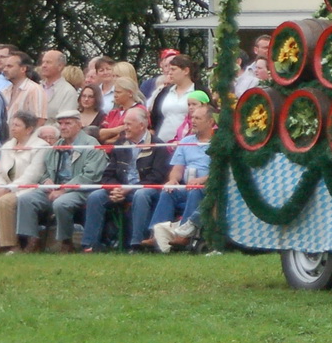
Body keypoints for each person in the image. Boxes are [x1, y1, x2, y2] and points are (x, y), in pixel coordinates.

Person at [0, 111, 51, 253]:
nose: (12, 128)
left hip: (27, 189)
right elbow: (0, 173)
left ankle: (12, 245)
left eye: (17, 125)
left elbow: (32, 175)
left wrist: (8, 189)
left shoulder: (40, 146)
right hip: (5, 187)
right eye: (12, 124)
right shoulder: (7, 146)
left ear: (29, 129)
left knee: (5, 202)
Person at [84, 107, 155, 253]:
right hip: (120, 189)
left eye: (128, 124)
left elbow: (157, 177)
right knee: (95, 196)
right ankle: (90, 245)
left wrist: (129, 189)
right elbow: (108, 175)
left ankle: (136, 245)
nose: (125, 128)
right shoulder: (120, 144)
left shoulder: (157, 145)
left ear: (141, 125)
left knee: (141, 196)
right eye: (125, 124)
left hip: (142, 190)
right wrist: (115, 189)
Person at [147, 99, 215, 252]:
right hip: (187, 186)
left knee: (195, 190)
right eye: (192, 118)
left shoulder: (217, 143)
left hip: (208, 188)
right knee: (168, 191)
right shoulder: (186, 141)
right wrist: (172, 180)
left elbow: (220, 171)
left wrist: (202, 180)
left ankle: (184, 235)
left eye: (198, 118)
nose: (193, 121)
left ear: (210, 121)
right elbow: (177, 169)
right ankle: (156, 234)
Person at [43, 108, 109, 253]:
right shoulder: (57, 145)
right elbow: (45, 169)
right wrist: (46, 180)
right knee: (26, 199)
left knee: (61, 203)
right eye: (60, 124)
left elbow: (90, 176)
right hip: (55, 187)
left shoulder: (91, 145)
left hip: (82, 190)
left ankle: (66, 242)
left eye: (68, 123)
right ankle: (27, 243)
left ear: (79, 125)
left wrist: (64, 189)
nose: (63, 127)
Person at [148, 53, 200, 169]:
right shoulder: (163, 92)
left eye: (173, 69)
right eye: (169, 69)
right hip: (162, 145)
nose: (169, 72)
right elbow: (154, 118)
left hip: (187, 146)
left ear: (186, 71)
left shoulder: (199, 90)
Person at [1, 51, 44, 128]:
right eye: (5, 66)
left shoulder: (34, 89)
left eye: (9, 66)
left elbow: (39, 120)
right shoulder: (4, 91)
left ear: (23, 69)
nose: (4, 69)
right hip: (7, 138)